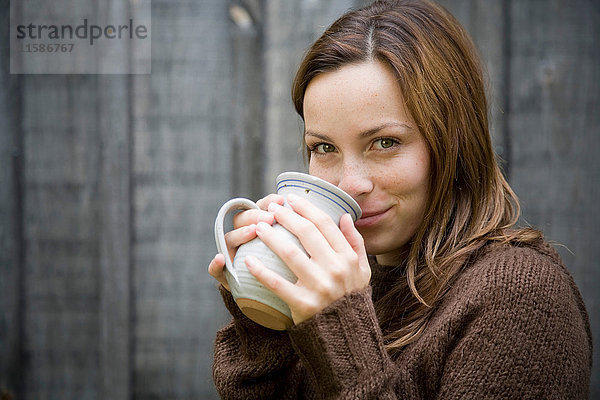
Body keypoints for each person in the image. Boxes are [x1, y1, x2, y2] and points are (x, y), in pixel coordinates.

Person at [208, 0, 592, 398]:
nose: (349, 183)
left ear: (451, 144)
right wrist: (265, 320)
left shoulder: (518, 296)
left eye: (384, 143)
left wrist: (343, 329)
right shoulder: (334, 286)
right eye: (324, 148)